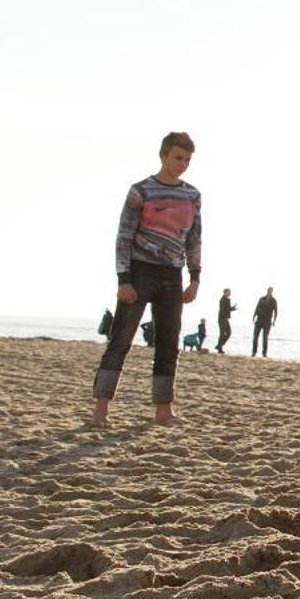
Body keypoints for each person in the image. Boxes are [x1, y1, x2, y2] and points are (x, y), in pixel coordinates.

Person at [92, 132, 202, 426]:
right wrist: (123, 279)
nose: (183, 164)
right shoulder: (141, 191)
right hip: (139, 272)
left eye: (188, 159)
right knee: (120, 341)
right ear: (163, 155)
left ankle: (164, 411)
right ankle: (101, 411)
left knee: (169, 343)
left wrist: (195, 277)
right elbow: (124, 237)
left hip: (172, 276)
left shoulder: (192, 195)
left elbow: (194, 239)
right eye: (178, 157)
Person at [251, 287, 278, 356]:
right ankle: (254, 352)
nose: (269, 291)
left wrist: (274, 321)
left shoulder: (273, 300)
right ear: (267, 291)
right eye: (269, 290)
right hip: (259, 319)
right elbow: (257, 308)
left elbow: (276, 311)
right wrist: (254, 317)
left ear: (272, 291)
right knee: (255, 336)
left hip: (267, 321)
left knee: (265, 337)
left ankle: (264, 353)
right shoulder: (262, 298)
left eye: (271, 290)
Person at [216, 288, 237, 353]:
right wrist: (231, 309)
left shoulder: (227, 299)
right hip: (222, 318)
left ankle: (219, 345)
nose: (230, 293)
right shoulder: (223, 300)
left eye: (229, 292)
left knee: (229, 333)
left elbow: (227, 308)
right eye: (228, 292)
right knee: (222, 334)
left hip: (225, 318)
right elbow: (224, 309)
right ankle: (220, 348)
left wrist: (232, 308)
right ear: (225, 292)